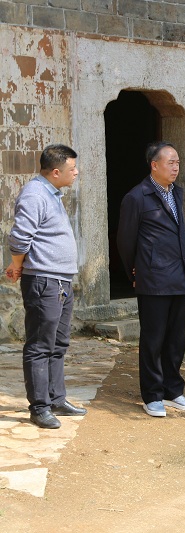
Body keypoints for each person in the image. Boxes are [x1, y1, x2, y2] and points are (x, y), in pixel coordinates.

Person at [6, 144, 87, 430]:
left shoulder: (51, 194)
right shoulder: (34, 194)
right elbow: (19, 238)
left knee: (59, 343)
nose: (76, 173)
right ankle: (39, 407)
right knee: (40, 345)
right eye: (72, 169)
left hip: (61, 280)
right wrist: (18, 264)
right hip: (44, 281)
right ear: (55, 172)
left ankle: (56, 399)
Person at [118, 142, 185, 418]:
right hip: (153, 279)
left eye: (177, 162)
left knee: (176, 339)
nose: (176, 167)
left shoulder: (178, 193)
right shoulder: (137, 197)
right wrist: (136, 273)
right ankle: (152, 395)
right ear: (154, 165)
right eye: (170, 162)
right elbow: (125, 242)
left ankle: (172, 390)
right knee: (153, 339)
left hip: (179, 277)